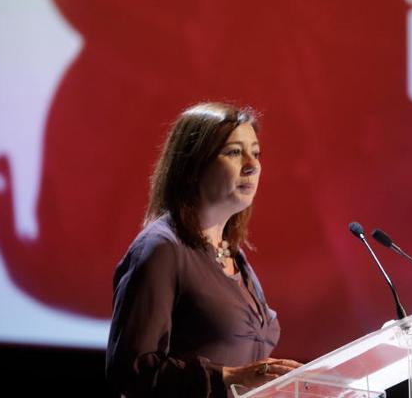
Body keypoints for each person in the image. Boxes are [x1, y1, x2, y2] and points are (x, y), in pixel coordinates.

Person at [106, 102, 302, 397]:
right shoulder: (163, 249)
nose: (252, 164)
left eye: (256, 153)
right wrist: (226, 377)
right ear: (193, 166)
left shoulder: (232, 253)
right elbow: (130, 370)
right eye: (235, 152)